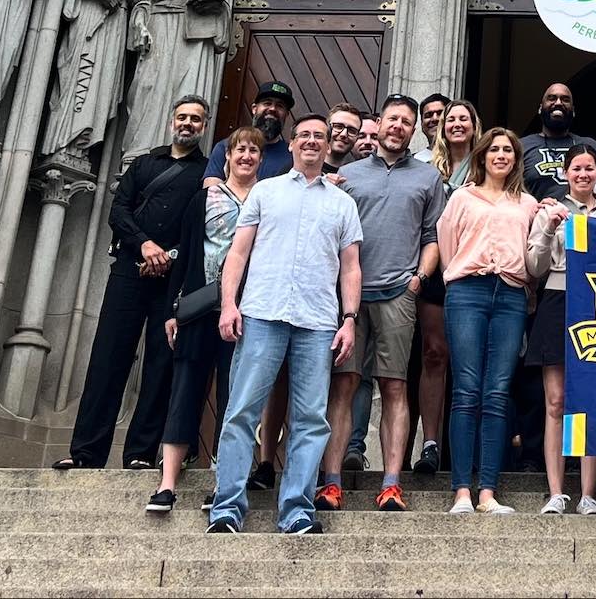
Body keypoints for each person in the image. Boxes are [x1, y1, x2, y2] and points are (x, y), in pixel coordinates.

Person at [205, 114, 363, 537]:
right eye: (305, 135)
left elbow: (351, 268)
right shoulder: (265, 191)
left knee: (311, 419)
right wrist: (228, 304)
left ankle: (296, 510)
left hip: (316, 322)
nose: (312, 141)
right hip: (261, 313)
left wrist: (349, 320)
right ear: (291, 145)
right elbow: (237, 254)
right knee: (241, 413)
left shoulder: (342, 203)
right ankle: (226, 508)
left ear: (328, 146)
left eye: (320, 136)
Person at [56, 97, 208, 471]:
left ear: (204, 126)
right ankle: (86, 453)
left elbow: (199, 229)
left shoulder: (206, 173)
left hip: (173, 278)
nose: (187, 124)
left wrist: (168, 256)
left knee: (162, 364)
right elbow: (118, 210)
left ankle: (140, 453)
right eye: (182, 117)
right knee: (108, 358)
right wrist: (144, 244)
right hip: (129, 269)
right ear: (173, 121)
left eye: (195, 119)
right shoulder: (144, 164)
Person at [319, 95, 444, 516]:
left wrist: (418, 280)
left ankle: (391, 483)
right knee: (344, 385)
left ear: (414, 131)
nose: (398, 127)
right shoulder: (348, 175)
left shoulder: (428, 178)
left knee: (394, 386)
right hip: (349, 297)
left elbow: (433, 237)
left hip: (398, 293)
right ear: (380, 123)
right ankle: (331, 482)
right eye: (393, 119)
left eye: (407, 122)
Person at [147, 125, 260, 514]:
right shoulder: (203, 199)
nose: (246, 156)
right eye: (239, 150)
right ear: (226, 157)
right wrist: (173, 310)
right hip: (199, 309)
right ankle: (167, 484)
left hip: (247, 312)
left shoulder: (269, 198)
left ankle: (224, 481)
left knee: (234, 401)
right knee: (185, 393)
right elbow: (186, 253)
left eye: (253, 151)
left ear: (261, 160)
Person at [437, 125, 537, 515]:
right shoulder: (462, 197)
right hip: (468, 291)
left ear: (515, 159)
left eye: (508, 151)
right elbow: (447, 243)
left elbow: (533, 254)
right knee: (466, 390)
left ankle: (487, 493)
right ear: (482, 156)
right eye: (494, 149)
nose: (500, 156)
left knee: (497, 391)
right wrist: (457, 277)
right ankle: (462, 490)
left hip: (511, 295)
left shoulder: (527, 204)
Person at [527, 141, 596, 515]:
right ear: (565, 173)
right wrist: (550, 229)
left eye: (589, 168)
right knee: (556, 402)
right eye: (576, 168)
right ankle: (555, 492)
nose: (583, 174)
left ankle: (587, 494)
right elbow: (533, 267)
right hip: (557, 297)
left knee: (593, 402)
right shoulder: (551, 210)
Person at [415, 99, 482, 476]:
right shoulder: (426, 168)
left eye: (463, 119)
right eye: (451, 119)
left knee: (470, 360)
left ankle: (466, 449)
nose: (456, 124)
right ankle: (431, 444)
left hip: (471, 268)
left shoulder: (486, 165)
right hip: (435, 271)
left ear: (474, 125)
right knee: (434, 353)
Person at [518, 82, 596, 201]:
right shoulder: (521, 146)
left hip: (582, 218)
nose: (558, 103)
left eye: (565, 99)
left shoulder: (591, 146)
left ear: (573, 111)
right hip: (538, 217)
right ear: (540, 108)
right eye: (551, 98)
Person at [205, 81, 294, 176]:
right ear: (254, 108)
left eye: (280, 106)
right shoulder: (226, 147)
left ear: (286, 114)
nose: (272, 109)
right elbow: (210, 187)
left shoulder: (292, 155)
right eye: (267, 103)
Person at [323, 104, 364, 176]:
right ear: (326, 128)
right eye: (338, 126)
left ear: (357, 137)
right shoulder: (304, 168)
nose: (344, 134)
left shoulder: (355, 177)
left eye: (352, 130)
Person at [415, 93, 448, 164]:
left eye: (440, 113)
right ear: (421, 123)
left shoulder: (468, 161)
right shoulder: (413, 162)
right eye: (428, 115)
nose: (434, 118)